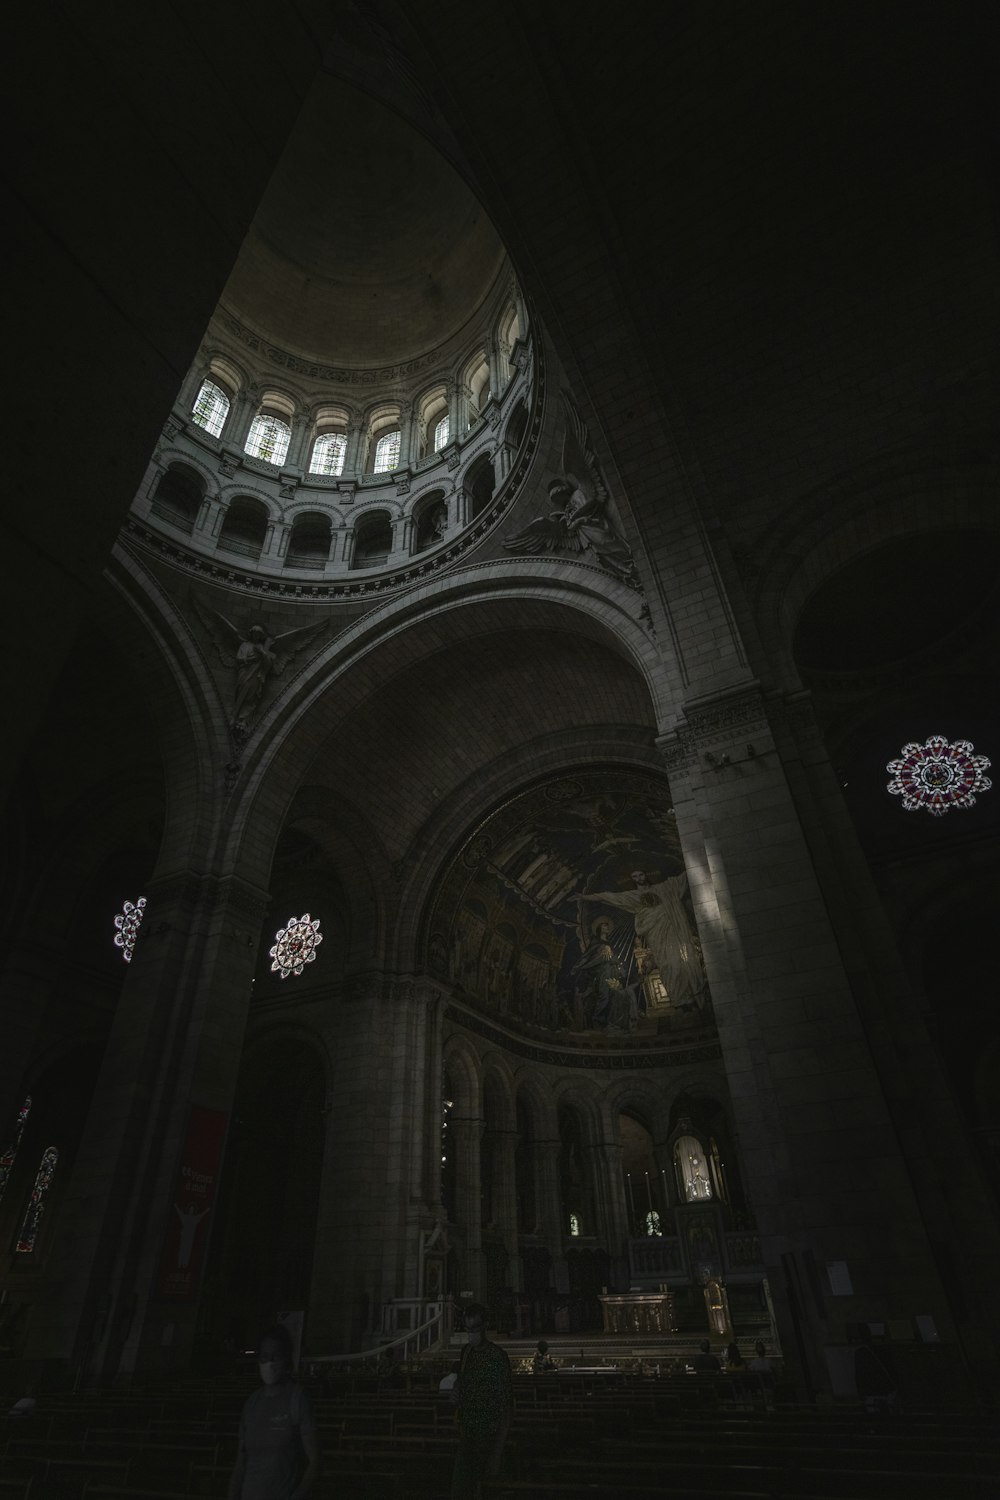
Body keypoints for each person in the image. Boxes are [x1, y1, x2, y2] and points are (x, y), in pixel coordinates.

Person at [583, 868, 704, 1007]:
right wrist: (584, 897)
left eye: (641, 874)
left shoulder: (664, 888)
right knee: (666, 964)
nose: (639, 878)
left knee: (680, 960)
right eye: (635, 876)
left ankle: (690, 995)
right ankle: (679, 999)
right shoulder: (633, 896)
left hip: (673, 930)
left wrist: (693, 864)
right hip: (655, 934)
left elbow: (684, 876)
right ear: (632, 879)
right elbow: (608, 896)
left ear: (646, 875)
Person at [228, 1325, 320, 1500]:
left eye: (275, 1356)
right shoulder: (251, 1404)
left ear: (286, 1359)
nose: (269, 1362)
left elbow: (315, 1461)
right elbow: (240, 1465)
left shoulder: (297, 1399)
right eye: (264, 1356)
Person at [450, 1301, 513, 1500]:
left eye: (475, 1328)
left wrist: (497, 1453)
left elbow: (507, 1407)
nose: (471, 1334)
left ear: (485, 1326)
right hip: (467, 1434)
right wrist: (456, 1391)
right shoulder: (466, 1352)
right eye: (468, 1329)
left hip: (488, 1436)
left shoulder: (497, 1357)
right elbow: (462, 1382)